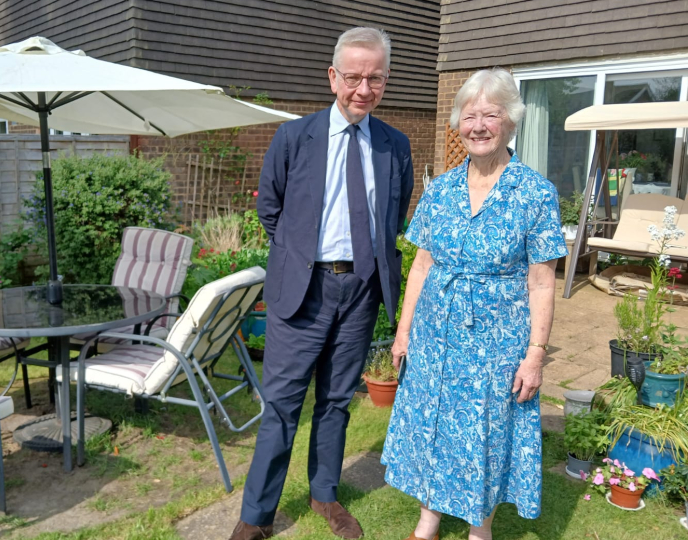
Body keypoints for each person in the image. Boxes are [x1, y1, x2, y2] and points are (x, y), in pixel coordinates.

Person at [229, 27, 414, 540]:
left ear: (385, 79)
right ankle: (256, 515)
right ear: (333, 77)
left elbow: (391, 219)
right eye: (353, 76)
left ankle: (325, 494)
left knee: (336, 400)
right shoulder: (293, 138)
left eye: (374, 78)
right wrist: (304, 258)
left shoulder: (395, 146)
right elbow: (271, 210)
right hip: (303, 291)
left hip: (360, 293)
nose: (362, 88)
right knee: (283, 406)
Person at [380, 68, 568, 540]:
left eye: (491, 114)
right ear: (457, 123)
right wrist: (403, 334)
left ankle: (478, 529)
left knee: (482, 434)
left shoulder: (535, 193)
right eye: (469, 116)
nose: (478, 125)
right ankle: (428, 521)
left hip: (496, 340)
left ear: (511, 123)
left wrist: (535, 355)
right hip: (433, 333)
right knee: (433, 423)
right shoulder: (439, 189)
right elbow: (421, 266)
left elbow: (542, 282)